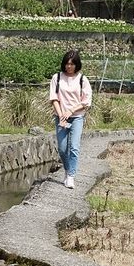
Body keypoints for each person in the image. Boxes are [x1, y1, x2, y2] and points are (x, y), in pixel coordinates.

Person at [48, 50, 93, 189]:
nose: (69, 67)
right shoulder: (57, 77)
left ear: (77, 64)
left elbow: (86, 101)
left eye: (72, 64)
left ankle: (71, 176)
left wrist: (71, 110)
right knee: (62, 148)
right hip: (61, 116)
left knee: (74, 147)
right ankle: (67, 170)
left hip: (77, 117)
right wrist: (61, 114)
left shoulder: (82, 79)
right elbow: (54, 98)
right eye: (67, 64)